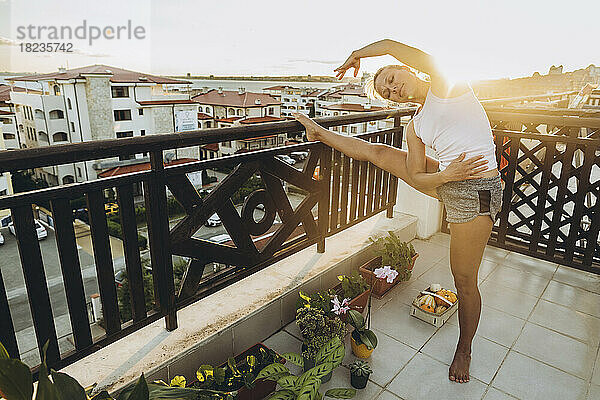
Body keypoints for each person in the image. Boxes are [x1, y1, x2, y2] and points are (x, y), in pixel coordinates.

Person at [293, 38, 503, 384]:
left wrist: (358, 55)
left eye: (391, 80)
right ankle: (319, 132)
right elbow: (419, 177)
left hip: (477, 189)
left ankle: (464, 348)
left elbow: (392, 44)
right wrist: (446, 175)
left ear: (404, 69)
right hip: (449, 178)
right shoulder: (415, 125)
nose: (393, 90)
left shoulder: (447, 83)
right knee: (381, 153)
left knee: (463, 279)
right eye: (387, 93)